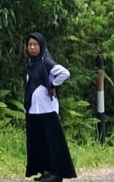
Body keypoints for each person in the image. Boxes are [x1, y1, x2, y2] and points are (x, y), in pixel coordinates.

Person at [24, 32, 77, 182]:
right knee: (40, 142)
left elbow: (64, 73)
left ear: (41, 46)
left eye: (35, 45)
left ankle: (56, 173)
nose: (33, 47)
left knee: (52, 142)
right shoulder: (31, 63)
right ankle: (46, 171)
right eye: (30, 45)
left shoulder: (46, 62)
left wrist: (53, 84)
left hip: (47, 109)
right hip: (34, 110)